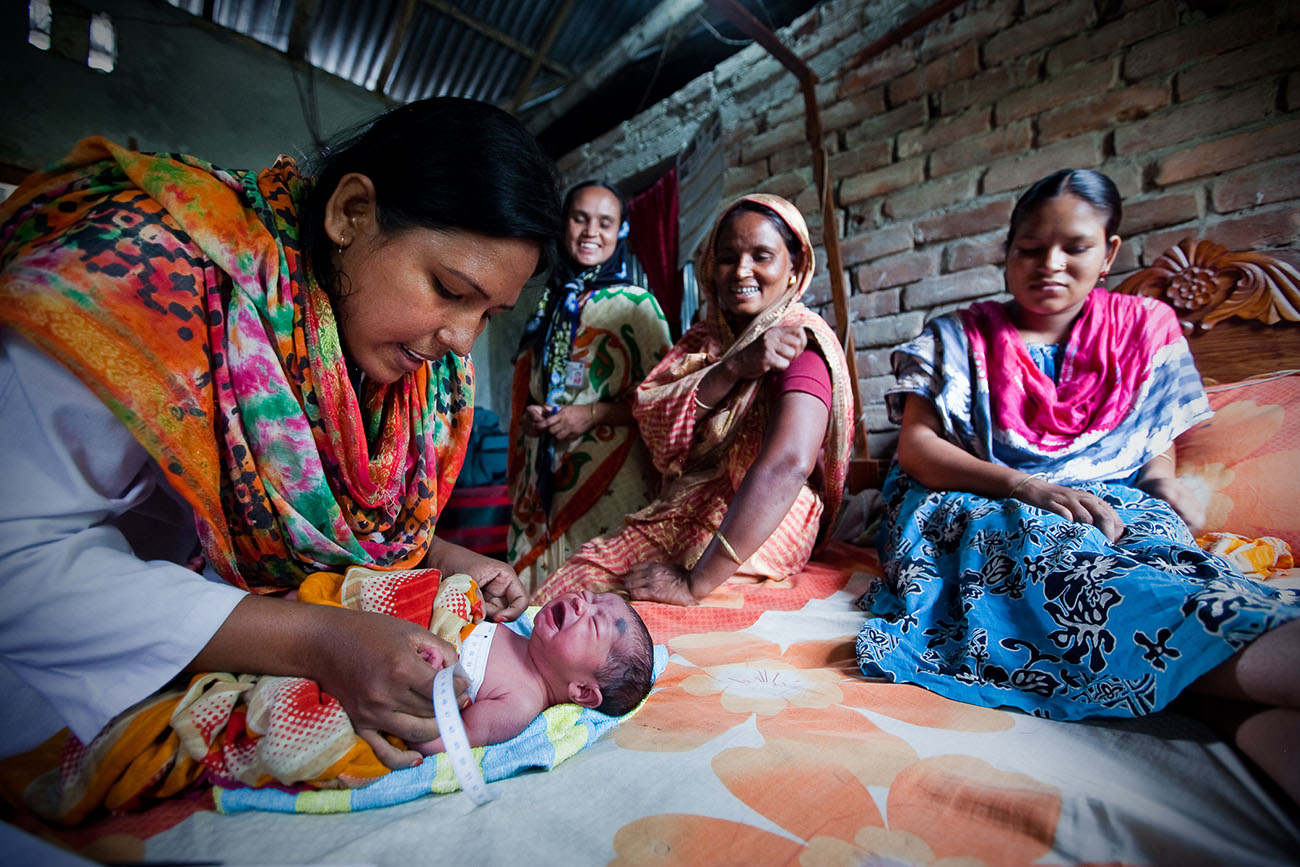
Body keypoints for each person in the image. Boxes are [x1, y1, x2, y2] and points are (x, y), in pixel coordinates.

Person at [0, 97, 560, 772]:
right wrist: (317, 639)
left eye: (489, 313)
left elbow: (323, 531)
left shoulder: (399, 377)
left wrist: (441, 558)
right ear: (351, 213)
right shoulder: (150, 278)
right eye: (447, 287)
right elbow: (16, 561)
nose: (460, 340)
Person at [855, 169, 1300, 803]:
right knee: (1036, 548)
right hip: (977, 493)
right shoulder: (958, 336)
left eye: (1076, 248)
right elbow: (919, 450)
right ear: (1007, 253)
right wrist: (1024, 486)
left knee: (1155, 547)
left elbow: (1152, 440)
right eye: (1029, 249)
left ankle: (1222, 693)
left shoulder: (1145, 329)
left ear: (1110, 251)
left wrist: (1164, 487)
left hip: (1114, 496)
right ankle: (1274, 653)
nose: (1050, 265)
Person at [534, 193, 854, 606]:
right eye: (727, 257)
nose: (741, 271)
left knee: (608, 599)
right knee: (579, 574)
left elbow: (789, 464)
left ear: (795, 268)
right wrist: (734, 366)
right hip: (696, 500)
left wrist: (693, 583)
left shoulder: (800, 343)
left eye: (761, 256)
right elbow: (653, 415)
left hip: (770, 517)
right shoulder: (706, 343)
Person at [507, 181, 672, 592]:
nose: (590, 232)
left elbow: (667, 401)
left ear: (621, 231)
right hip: (543, 475)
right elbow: (533, 386)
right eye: (579, 219)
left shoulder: (638, 307)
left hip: (613, 478)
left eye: (605, 222)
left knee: (600, 598)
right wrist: (531, 414)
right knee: (535, 605)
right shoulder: (546, 304)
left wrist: (592, 413)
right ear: (564, 224)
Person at [413, 587, 655, 755]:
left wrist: (429, 679)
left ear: (582, 690)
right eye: (589, 596)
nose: (580, 602)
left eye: (594, 624)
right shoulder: (510, 627)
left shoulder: (518, 705)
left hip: (407, 667)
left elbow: (453, 738)